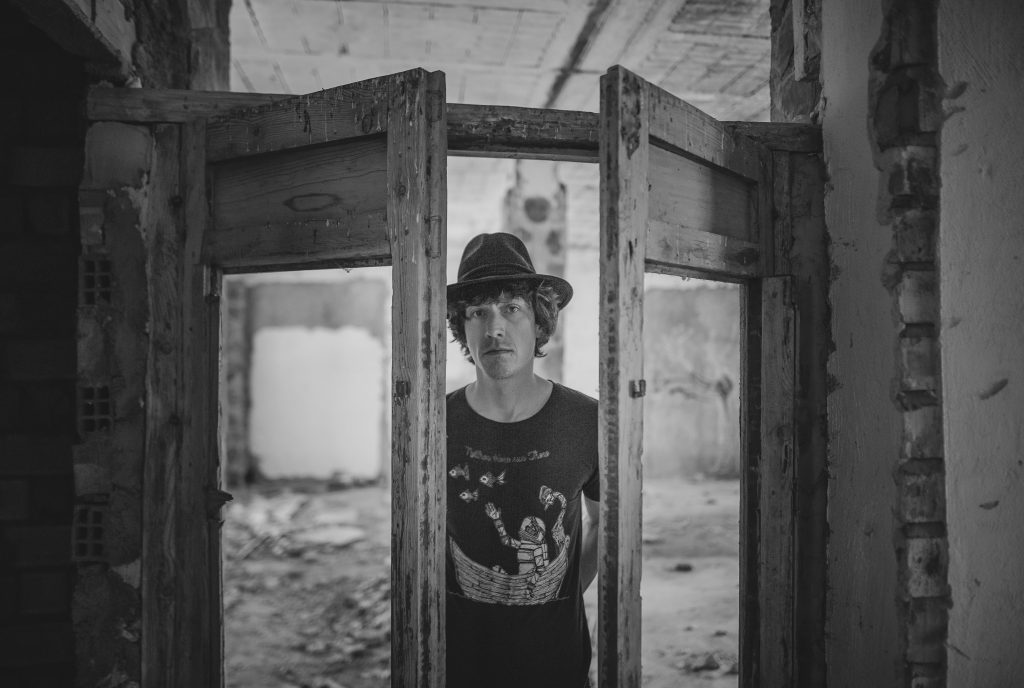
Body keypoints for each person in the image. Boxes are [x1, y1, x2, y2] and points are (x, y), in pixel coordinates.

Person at [445, 232, 599, 688]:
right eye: (478, 313)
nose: (494, 329)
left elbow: (608, 524)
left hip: (558, 664)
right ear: (462, 327)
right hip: (454, 664)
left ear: (539, 322)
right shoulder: (431, 421)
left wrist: (562, 591)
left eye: (511, 308)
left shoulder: (588, 420)